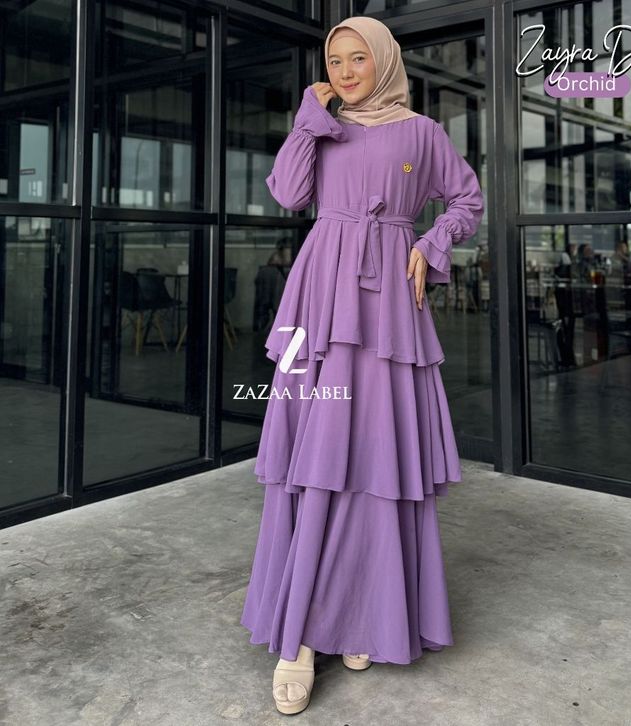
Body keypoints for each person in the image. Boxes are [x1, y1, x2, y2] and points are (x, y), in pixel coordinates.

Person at [240, 15, 485, 715]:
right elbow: (289, 194)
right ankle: (298, 639)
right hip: (319, 298)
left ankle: (360, 615)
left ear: (383, 60)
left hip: (389, 308)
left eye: (358, 59)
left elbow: (467, 198)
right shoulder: (323, 125)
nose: (346, 73)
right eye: (335, 62)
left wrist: (432, 242)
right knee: (312, 454)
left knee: (375, 456)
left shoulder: (422, 133)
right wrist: (308, 118)